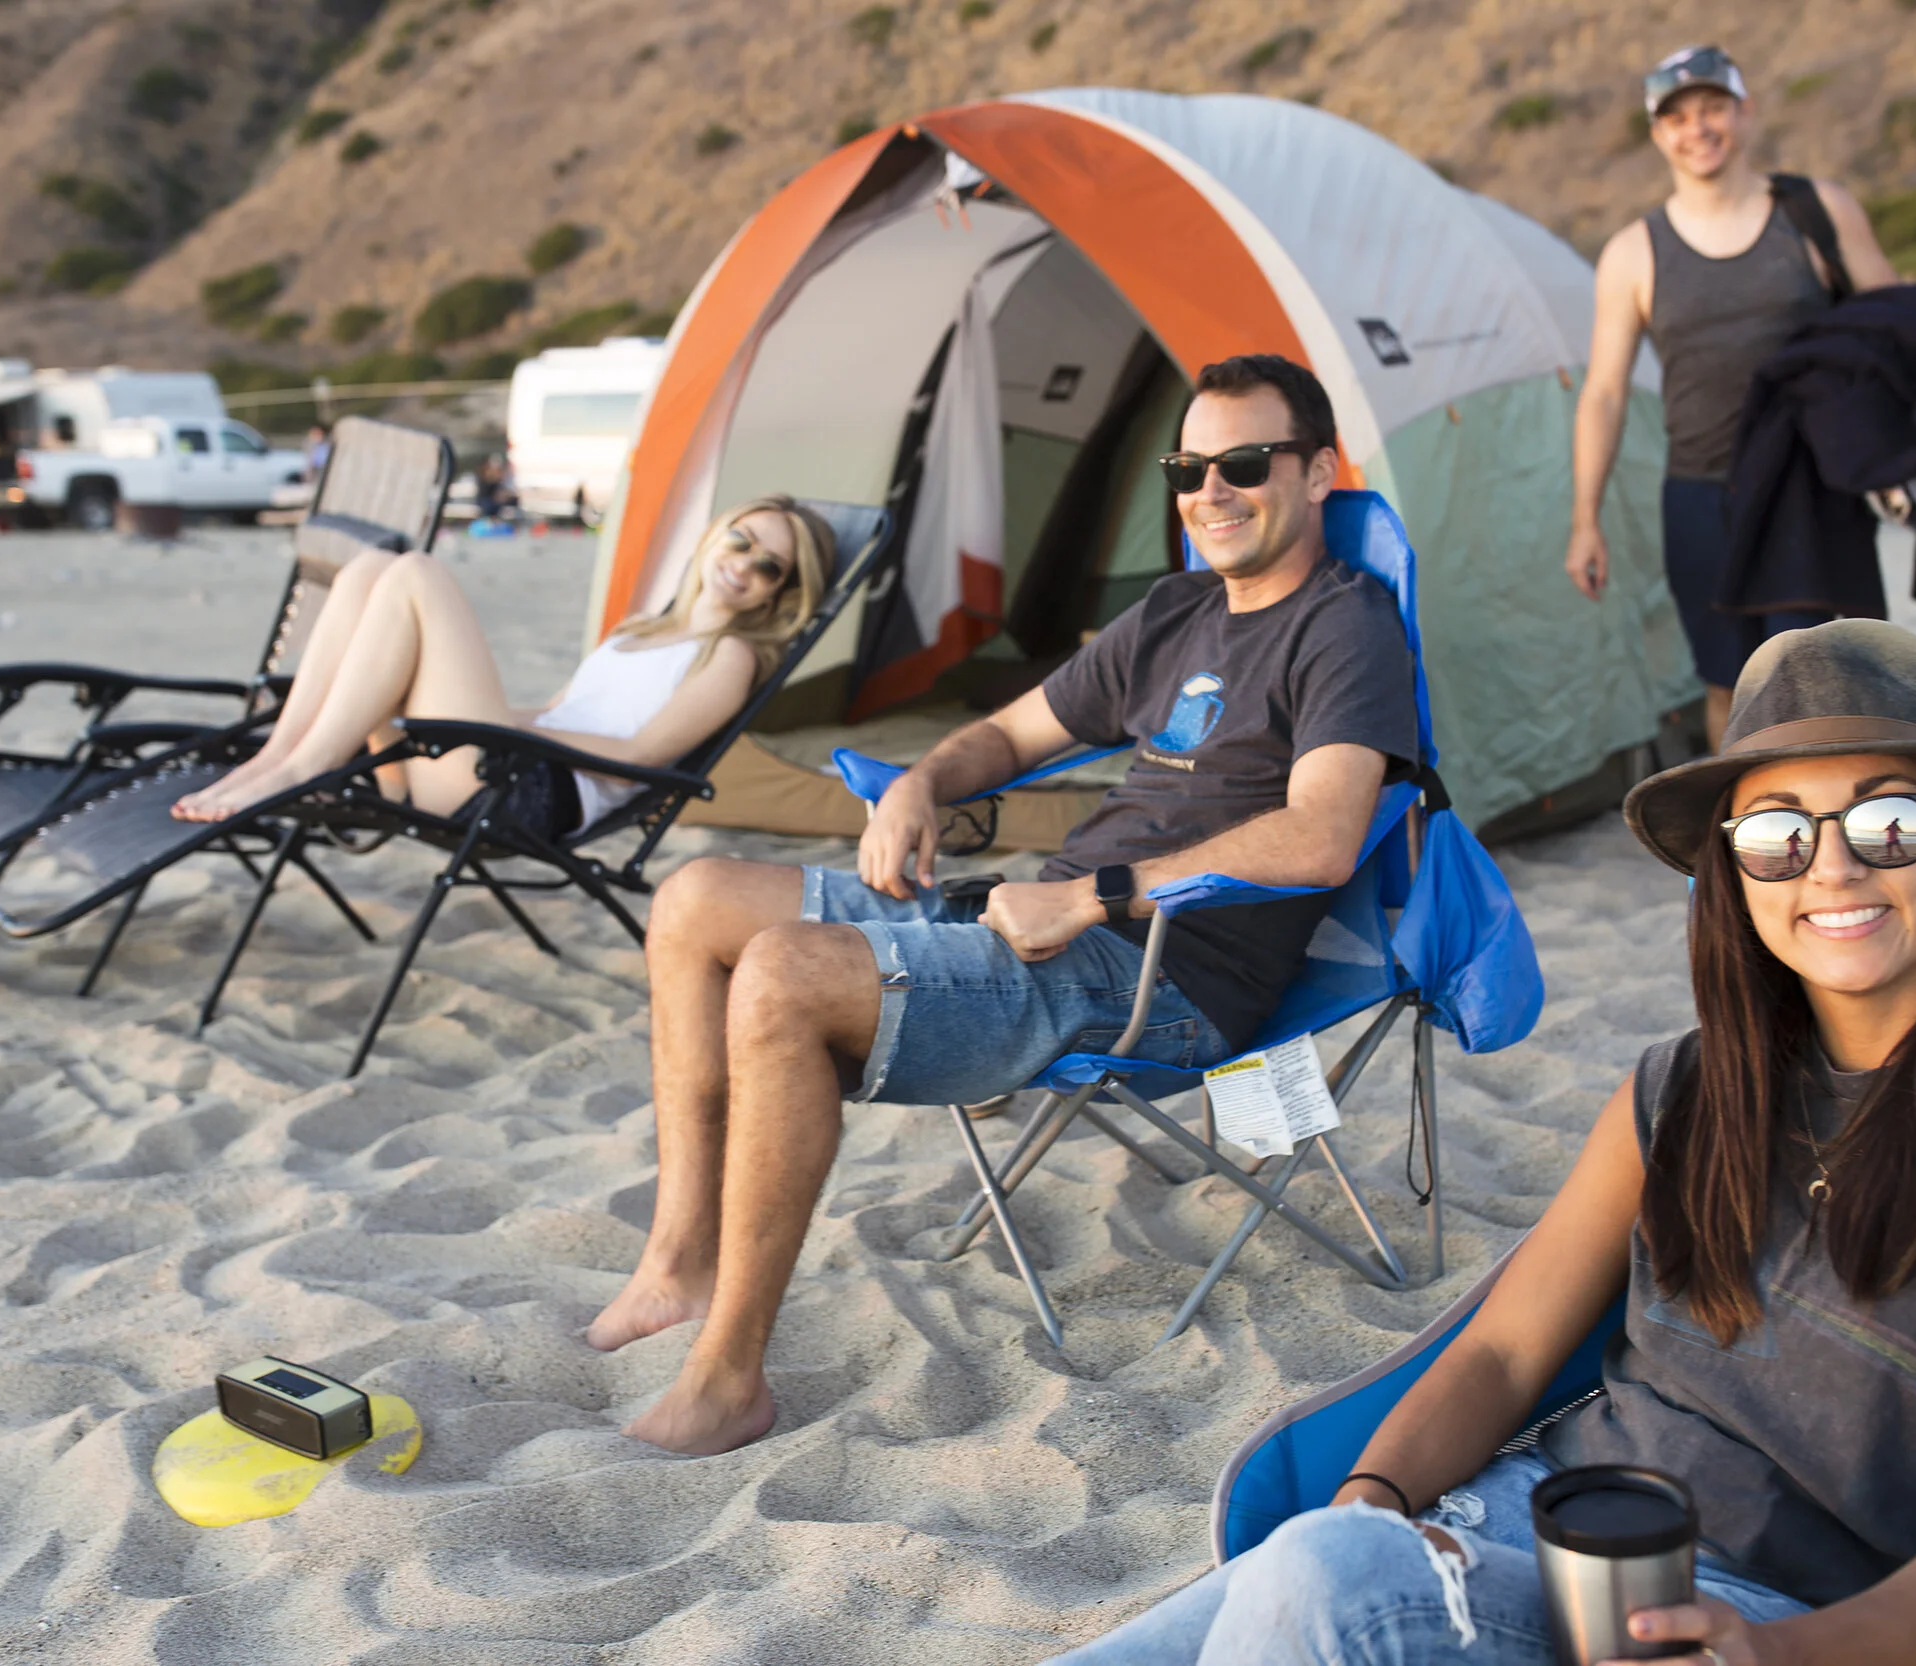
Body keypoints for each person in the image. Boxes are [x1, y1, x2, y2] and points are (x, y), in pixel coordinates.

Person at [1057, 619, 1916, 1666]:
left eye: (1888, 821)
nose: (1833, 867)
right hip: (1502, 1528)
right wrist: (1373, 1497)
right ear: (1736, 876)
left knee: (1319, 1577)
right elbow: (1504, 1350)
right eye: (1775, 834)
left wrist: (1783, 1656)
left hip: (1774, 1619)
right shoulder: (1687, 1085)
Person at [586, 354, 1421, 1456]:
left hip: (1163, 972)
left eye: (1244, 464)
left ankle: (729, 1376)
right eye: (1188, 467)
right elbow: (1014, 735)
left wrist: (1089, 896)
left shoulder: (1343, 626)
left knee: (786, 970)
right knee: (693, 898)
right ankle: (677, 1264)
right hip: (1037, 918)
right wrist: (923, 783)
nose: (1209, 492)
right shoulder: (1174, 610)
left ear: (1318, 474)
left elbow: (1320, 836)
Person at [1565, 45, 1900, 751]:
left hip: (1812, 492)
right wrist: (1585, 518)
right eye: (1678, 117)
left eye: (1714, 108)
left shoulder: (1817, 212)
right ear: (1659, 134)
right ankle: (1746, 840)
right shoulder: (1633, 252)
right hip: (1700, 496)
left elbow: (1898, 329)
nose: (1699, 128)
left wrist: (1901, 453)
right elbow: (1602, 393)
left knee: (1823, 675)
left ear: (1745, 112)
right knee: (1731, 683)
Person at [168, 495, 830, 829]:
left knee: (417, 572)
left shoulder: (733, 657)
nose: (742, 565)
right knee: (373, 566)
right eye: (739, 539)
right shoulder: (641, 627)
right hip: (496, 759)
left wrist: (510, 733)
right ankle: (278, 759)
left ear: (781, 590)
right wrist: (484, 720)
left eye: (767, 564)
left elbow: (641, 757)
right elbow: (552, 711)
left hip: (529, 794)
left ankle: (304, 765)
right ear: (716, 534)